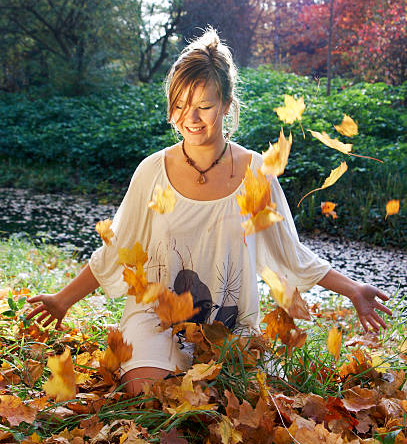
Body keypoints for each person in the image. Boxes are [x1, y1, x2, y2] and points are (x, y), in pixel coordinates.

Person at [26, 28, 392, 396]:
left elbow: (290, 254)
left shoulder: (255, 172)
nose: (191, 117)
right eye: (181, 104)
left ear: (228, 104)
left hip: (227, 322)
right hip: (157, 317)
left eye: (204, 105)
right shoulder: (152, 172)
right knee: (153, 395)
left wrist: (354, 289)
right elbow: (117, 249)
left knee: (226, 403)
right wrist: (62, 301)